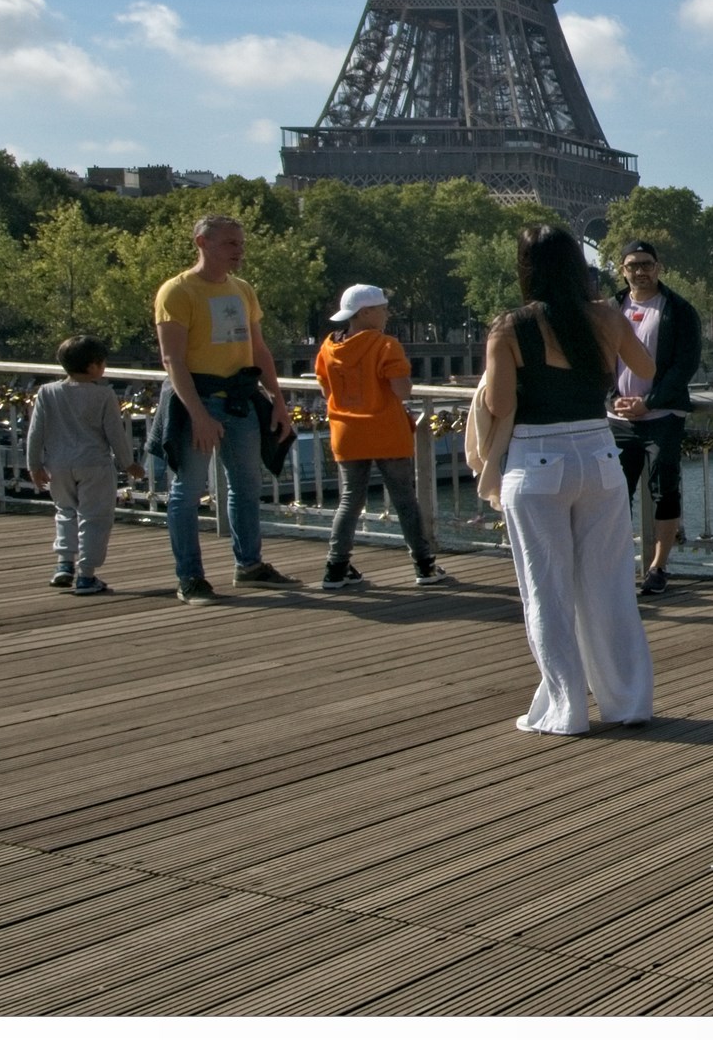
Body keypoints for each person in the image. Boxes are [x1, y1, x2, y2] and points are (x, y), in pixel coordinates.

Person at [472, 225, 657, 736]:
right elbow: (643, 366)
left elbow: (501, 405)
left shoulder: (508, 328)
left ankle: (567, 709)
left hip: (536, 458)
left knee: (546, 590)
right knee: (610, 585)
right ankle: (627, 701)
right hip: (598, 451)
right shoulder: (605, 315)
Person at [150, 215, 297, 600]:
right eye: (230, 243)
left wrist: (278, 402)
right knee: (188, 490)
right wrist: (197, 414)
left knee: (247, 486)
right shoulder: (177, 292)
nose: (239, 250)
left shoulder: (243, 290)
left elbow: (259, 350)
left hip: (240, 400)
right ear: (202, 243)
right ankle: (190, 577)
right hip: (197, 399)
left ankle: (249, 565)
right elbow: (173, 360)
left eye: (240, 243)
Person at [314, 284, 456, 591]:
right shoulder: (385, 345)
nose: (386, 314)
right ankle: (424, 565)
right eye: (382, 308)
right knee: (404, 498)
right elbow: (401, 389)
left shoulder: (328, 347)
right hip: (386, 431)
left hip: (347, 432)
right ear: (366, 313)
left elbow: (327, 390)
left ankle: (335, 568)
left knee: (350, 500)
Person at [607, 240, 703, 596]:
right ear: (622, 270)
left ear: (658, 267)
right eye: (633, 265)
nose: (641, 271)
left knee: (665, 490)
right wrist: (613, 399)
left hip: (662, 416)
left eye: (647, 264)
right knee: (613, 493)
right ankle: (614, 563)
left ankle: (658, 566)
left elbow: (684, 365)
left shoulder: (677, 310)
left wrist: (649, 402)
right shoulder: (610, 309)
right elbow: (600, 361)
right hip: (617, 418)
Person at [26, 335, 139, 595]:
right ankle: (87, 575)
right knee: (95, 517)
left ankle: (64, 563)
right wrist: (127, 463)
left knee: (65, 510)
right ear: (92, 367)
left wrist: (35, 465)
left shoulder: (48, 392)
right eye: (102, 363)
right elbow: (115, 434)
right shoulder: (104, 394)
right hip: (94, 464)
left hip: (59, 464)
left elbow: (36, 432)